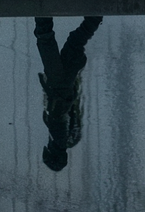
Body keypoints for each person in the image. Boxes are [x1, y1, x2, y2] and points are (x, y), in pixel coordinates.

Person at [34, 15, 103, 170]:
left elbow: (70, 111)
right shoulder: (59, 137)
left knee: (75, 43)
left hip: (66, 85)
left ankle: (97, 15)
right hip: (58, 83)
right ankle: (41, 8)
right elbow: (57, 112)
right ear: (52, 153)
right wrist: (48, 86)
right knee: (45, 39)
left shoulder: (70, 138)